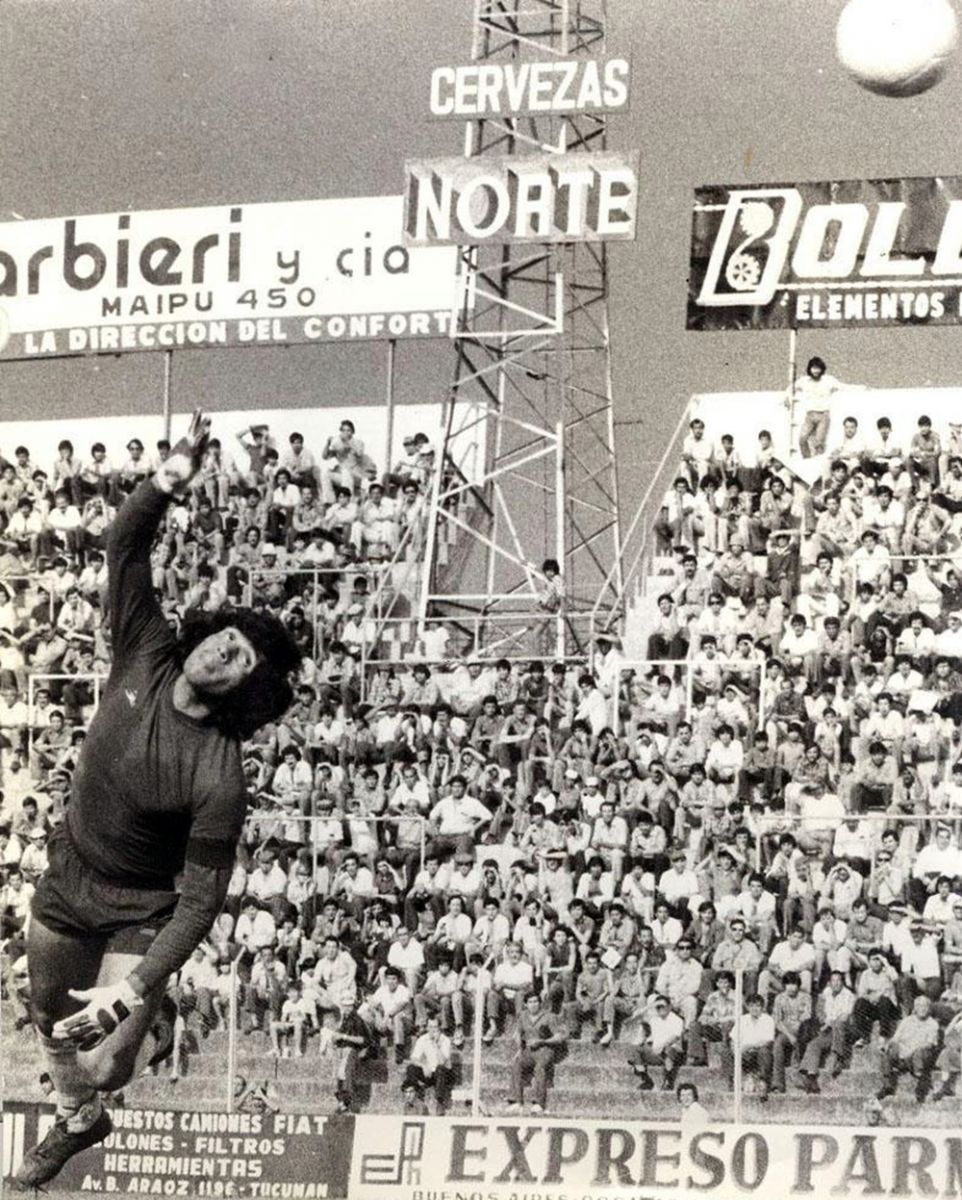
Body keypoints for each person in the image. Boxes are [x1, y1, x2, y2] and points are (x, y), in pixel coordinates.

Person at [15, 413, 303, 1191]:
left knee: (105, 1062)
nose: (222, 650)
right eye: (227, 636)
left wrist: (133, 988)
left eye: (241, 658)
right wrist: (172, 474)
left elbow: (201, 902)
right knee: (49, 1021)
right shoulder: (147, 646)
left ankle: (147, 1029)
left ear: (247, 688)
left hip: (140, 909)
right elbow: (125, 542)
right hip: (71, 873)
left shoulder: (219, 775)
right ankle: (79, 1122)